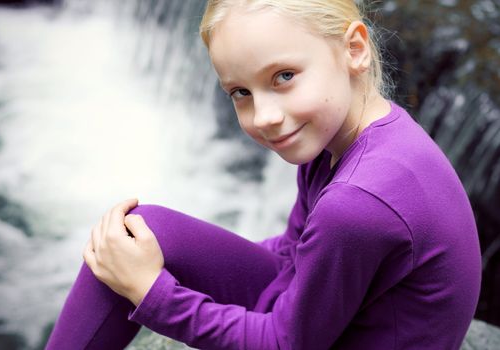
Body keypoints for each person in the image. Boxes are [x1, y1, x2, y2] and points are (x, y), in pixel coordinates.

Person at [46, 1, 482, 349]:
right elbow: (296, 252)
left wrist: (153, 291)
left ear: (354, 49)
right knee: (139, 234)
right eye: (241, 92)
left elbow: (285, 343)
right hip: (344, 322)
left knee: (131, 263)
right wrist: (170, 262)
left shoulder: (357, 202)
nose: (266, 116)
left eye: (284, 76)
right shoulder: (341, 134)